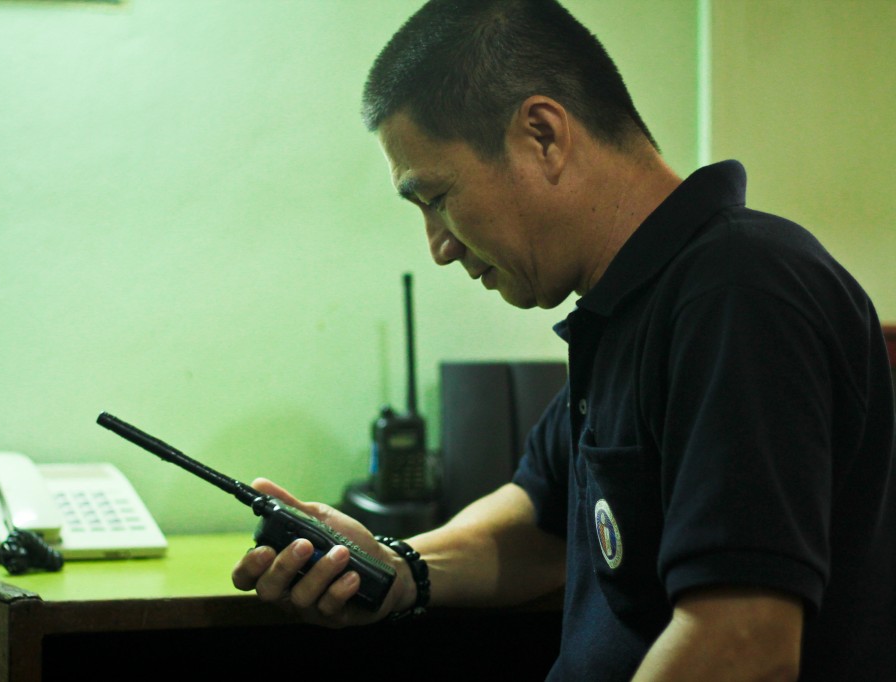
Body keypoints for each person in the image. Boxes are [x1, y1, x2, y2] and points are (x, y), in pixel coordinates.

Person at [231, 1, 896, 679]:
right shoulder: (628, 310)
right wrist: (397, 566)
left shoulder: (740, 291)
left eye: (435, 198)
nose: (437, 246)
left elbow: (743, 643)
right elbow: (541, 523)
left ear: (543, 134)